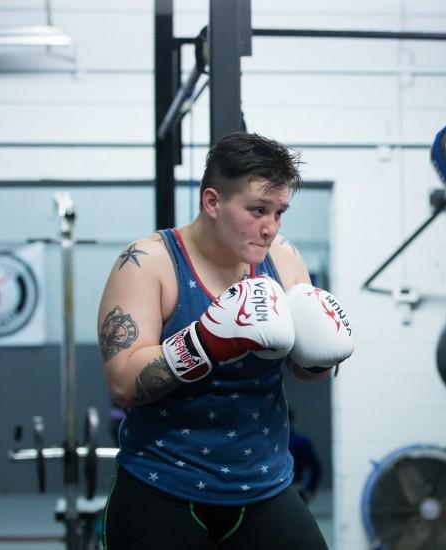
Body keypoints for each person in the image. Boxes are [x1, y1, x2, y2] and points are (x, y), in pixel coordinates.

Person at [97, 131, 350, 549]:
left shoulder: (282, 258)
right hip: (162, 486)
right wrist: (207, 342)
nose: (270, 228)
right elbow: (122, 383)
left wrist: (318, 358)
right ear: (212, 202)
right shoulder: (148, 263)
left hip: (265, 488)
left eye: (280, 212)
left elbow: (305, 372)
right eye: (257, 210)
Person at [287, 408, 323, 504]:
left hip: (274, 495)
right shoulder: (302, 441)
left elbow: (316, 468)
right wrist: (310, 490)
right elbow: (316, 468)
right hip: (297, 493)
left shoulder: (271, 443)